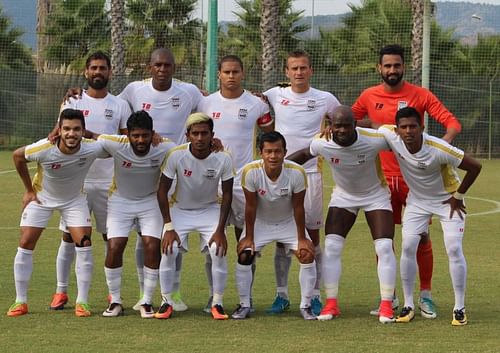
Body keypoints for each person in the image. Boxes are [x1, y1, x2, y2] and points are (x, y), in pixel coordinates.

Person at [66, 47, 204, 311]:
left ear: (173, 68)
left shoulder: (170, 137)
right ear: (149, 67)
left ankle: (161, 296)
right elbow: (95, 126)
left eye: (167, 65)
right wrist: (77, 94)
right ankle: (120, 299)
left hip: (161, 190)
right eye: (157, 65)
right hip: (120, 199)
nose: (162, 69)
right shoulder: (129, 100)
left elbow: (196, 134)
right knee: (117, 244)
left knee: (159, 242)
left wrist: (211, 142)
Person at [352, 44, 462, 318]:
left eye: (396, 65)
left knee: (421, 239)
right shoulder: (368, 96)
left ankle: (425, 296)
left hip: (417, 184)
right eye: (387, 65)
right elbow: (348, 122)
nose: (392, 70)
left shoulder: (420, 95)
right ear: (379, 68)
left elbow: (452, 123)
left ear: (404, 67)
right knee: (384, 240)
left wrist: (440, 149)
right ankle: (387, 297)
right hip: (382, 182)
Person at [288, 106, 397, 323]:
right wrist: (275, 170)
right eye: (337, 125)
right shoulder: (322, 142)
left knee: (384, 246)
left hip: (375, 195)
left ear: (355, 125)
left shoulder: (375, 139)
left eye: (347, 125)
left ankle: (386, 305)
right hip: (344, 197)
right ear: (330, 126)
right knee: (333, 247)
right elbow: (300, 155)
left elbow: (402, 144)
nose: (342, 130)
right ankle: (331, 303)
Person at [377, 107, 481, 326]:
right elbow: (365, 128)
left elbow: (475, 166)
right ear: (397, 130)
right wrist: (331, 128)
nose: (408, 131)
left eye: (413, 126)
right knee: (408, 246)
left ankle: (459, 307)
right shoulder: (390, 135)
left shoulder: (438, 148)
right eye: (403, 127)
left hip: (448, 201)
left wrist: (458, 196)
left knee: (453, 248)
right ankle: (408, 305)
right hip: (417, 201)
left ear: (422, 128)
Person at [48, 51, 131, 311]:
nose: (98, 72)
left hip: (109, 183)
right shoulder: (73, 100)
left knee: (111, 239)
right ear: (86, 72)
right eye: (93, 68)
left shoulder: (119, 105)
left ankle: (111, 294)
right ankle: (61, 292)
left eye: (103, 68)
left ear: (110, 72)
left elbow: (126, 143)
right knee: (68, 237)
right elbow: (57, 134)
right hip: (77, 184)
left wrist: (97, 137)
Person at [7, 109, 107, 317]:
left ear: (83, 131)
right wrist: (28, 190)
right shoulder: (45, 148)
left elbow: (119, 145)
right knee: (26, 242)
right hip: (42, 198)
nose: (72, 134)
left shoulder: (92, 148)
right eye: (67, 129)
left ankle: (83, 302)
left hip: (74, 201)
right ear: (59, 130)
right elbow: (18, 156)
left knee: (85, 243)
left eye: (77, 129)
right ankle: (20, 301)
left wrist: (95, 135)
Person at [263, 50, 340, 315]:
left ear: (311, 70)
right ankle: (281, 295)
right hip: (280, 175)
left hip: (311, 174)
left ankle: (315, 295)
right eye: (294, 68)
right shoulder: (275, 94)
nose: (298, 73)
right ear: (286, 72)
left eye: (303, 68)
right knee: (283, 239)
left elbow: (343, 118)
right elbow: (252, 100)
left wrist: (332, 123)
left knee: (313, 236)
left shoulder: (324, 98)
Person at [197, 54, 273, 311]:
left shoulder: (257, 105)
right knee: (211, 245)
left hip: (243, 182)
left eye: (236, 72)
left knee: (246, 242)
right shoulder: (204, 103)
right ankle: (213, 295)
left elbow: (271, 134)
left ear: (243, 73)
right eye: (226, 72)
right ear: (218, 74)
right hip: (211, 182)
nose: (231, 76)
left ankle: (245, 298)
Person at [155, 113, 234, 320]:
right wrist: (169, 227)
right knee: (169, 249)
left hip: (209, 210)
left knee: (218, 250)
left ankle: (217, 302)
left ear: (212, 135)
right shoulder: (176, 155)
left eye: (204, 133)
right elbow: (162, 191)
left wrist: (220, 230)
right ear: (187, 135)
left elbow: (227, 194)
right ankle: (166, 301)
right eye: (195, 133)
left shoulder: (223, 157)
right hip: (180, 210)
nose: (200, 138)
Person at [98, 110, 176, 318]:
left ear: (153, 133)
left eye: (145, 135)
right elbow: (90, 136)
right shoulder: (115, 143)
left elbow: (189, 152)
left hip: (150, 201)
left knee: (151, 244)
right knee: (115, 246)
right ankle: (115, 301)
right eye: (136, 135)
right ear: (128, 135)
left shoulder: (165, 147)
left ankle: (147, 301)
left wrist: (215, 144)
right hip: (120, 201)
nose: (140, 140)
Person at [232, 131, 317, 320]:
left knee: (307, 254)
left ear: (285, 152)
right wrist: (249, 237)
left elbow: (298, 207)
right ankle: (244, 304)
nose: (273, 156)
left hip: (288, 222)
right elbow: (251, 207)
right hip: (261, 222)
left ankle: (306, 305)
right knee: (245, 254)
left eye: (277, 151)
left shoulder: (296, 172)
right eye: (268, 151)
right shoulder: (250, 172)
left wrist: (302, 238)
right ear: (260, 153)